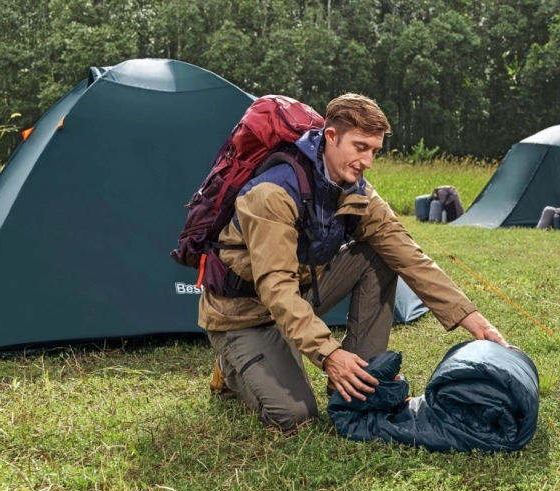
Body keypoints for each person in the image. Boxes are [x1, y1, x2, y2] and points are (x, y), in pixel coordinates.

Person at [200, 93, 510, 433]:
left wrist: (470, 317)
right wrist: (330, 354)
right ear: (331, 137)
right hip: (245, 314)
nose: (368, 161)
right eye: (360, 147)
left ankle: (357, 382)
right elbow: (276, 289)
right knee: (295, 416)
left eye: (374, 151)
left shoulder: (355, 189)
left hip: (299, 295)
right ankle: (229, 366)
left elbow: (407, 253)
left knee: (382, 253)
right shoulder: (273, 193)